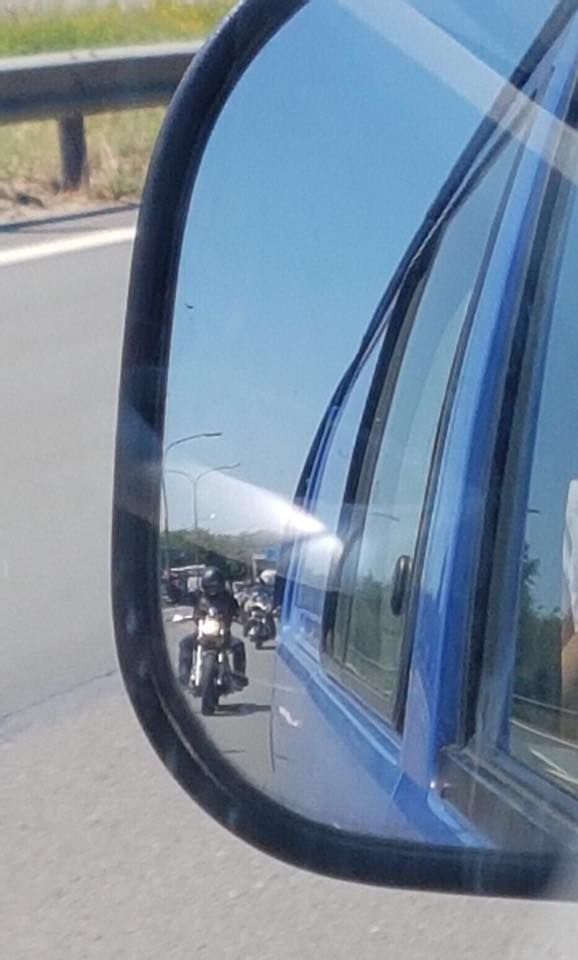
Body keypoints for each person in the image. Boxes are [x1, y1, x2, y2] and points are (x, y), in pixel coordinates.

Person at [178, 566, 248, 687]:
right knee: (185, 643)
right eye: (209, 586)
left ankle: (238, 676)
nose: (212, 589)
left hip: (223, 635)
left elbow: (238, 611)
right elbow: (186, 600)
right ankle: (184, 677)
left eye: (214, 586)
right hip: (201, 633)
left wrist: (244, 620)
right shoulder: (199, 597)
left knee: (238, 645)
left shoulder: (228, 598)